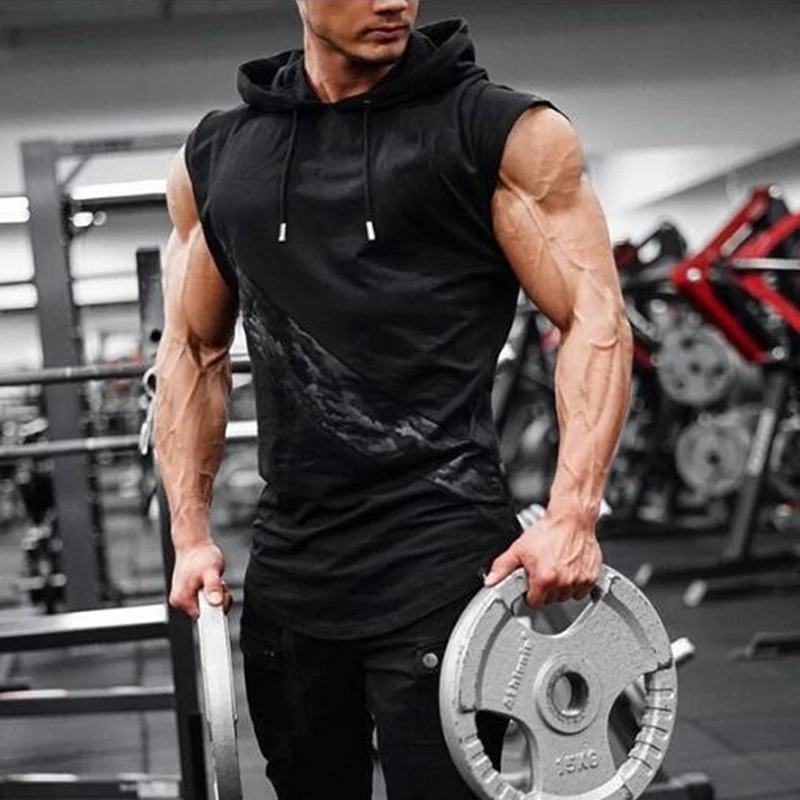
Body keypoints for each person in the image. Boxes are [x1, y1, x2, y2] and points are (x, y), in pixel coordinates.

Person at [155, 2, 633, 798]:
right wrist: (190, 534)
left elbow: (595, 317)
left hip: (444, 564)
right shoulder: (217, 155)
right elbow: (191, 350)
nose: (393, 2)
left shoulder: (498, 131)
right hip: (294, 572)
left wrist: (573, 514)